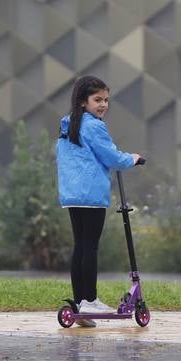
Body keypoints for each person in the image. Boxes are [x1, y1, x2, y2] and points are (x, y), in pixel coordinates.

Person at [56, 75, 144, 324]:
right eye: (97, 100)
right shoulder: (93, 126)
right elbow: (111, 157)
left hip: (73, 194)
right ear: (83, 101)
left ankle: (80, 303)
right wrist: (133, 159)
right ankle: (90, 300)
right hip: (92, 193)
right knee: (90, 246)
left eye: (106, 100)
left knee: (80, 246)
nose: (103, 105)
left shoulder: (68, 125)